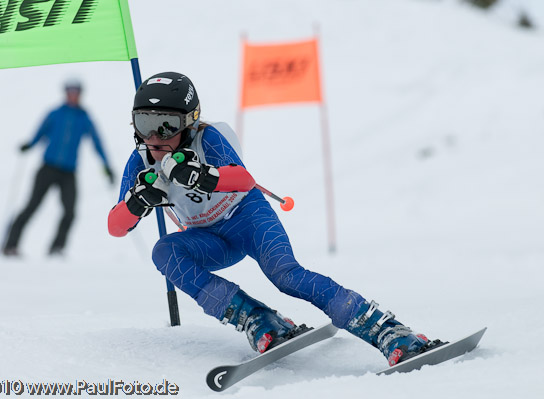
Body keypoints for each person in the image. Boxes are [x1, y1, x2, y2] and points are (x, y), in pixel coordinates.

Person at [107, 72, 440, 366]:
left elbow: (242, 179)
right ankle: (257, 318)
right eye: (144, 124)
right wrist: (136, 203)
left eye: (166, 125)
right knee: (163, 251)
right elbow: (115, 227)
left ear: (190, 122)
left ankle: (388, 331)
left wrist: (202, 176)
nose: (154, 138)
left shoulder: (207, 138)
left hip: (247, 218)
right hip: (209, 239)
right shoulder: (140, 164)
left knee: (286, 276)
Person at [3, 79, 115, 257]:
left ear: (80, 94)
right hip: (48, 168)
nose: (73, 95)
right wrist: (29, 145)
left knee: (70, 212)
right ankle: (10, 246)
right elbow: (39, 133)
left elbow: (97, 143)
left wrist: (107, 166)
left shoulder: (84, 118)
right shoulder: (55, 114)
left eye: (76, 92)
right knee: (32, 206)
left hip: (68, 172)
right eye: (70, 91)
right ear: (65, 93)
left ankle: (56, 248)